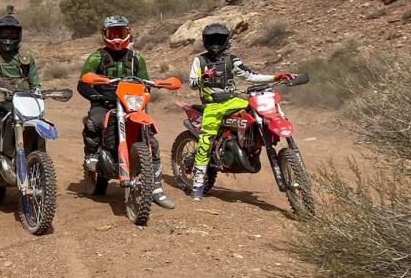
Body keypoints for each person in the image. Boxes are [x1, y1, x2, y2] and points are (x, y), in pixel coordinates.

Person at [187, 22, 294, 199]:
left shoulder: (232, 60)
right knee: (206, 140)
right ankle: (197, 186)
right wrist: (202, 77)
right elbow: (191, 84)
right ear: (206, 41)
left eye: (218, 39)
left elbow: (250, 75)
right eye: (212, 39)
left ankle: (250, 146)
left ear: (226, 41)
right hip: (212, 105)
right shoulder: (200, 60)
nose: (215, 43)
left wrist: (275, 76)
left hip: (234, 100)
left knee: (256, 113)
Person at [77, 15, 174, 208]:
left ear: (128, 33)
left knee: (151, 140)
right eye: (112, 33)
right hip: (104, 101)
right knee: (94, 122)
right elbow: (83, 82)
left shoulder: (136, 59)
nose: (116, 38)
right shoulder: (97, 57)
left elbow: (145, 83)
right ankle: (92, 155)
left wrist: (149, 88)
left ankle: (155, 188)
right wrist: (96, 97)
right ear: (104, 35)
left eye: (120, 33)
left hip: (131, 104)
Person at [0, 9, 40, 180]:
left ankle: (38, 159)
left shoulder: (26, 56)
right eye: (5, 33)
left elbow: (35, 83)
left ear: (19, 34)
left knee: (37, 127)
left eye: (12, 33)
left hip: (24, 103)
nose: (9, 37)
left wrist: (38, 95)